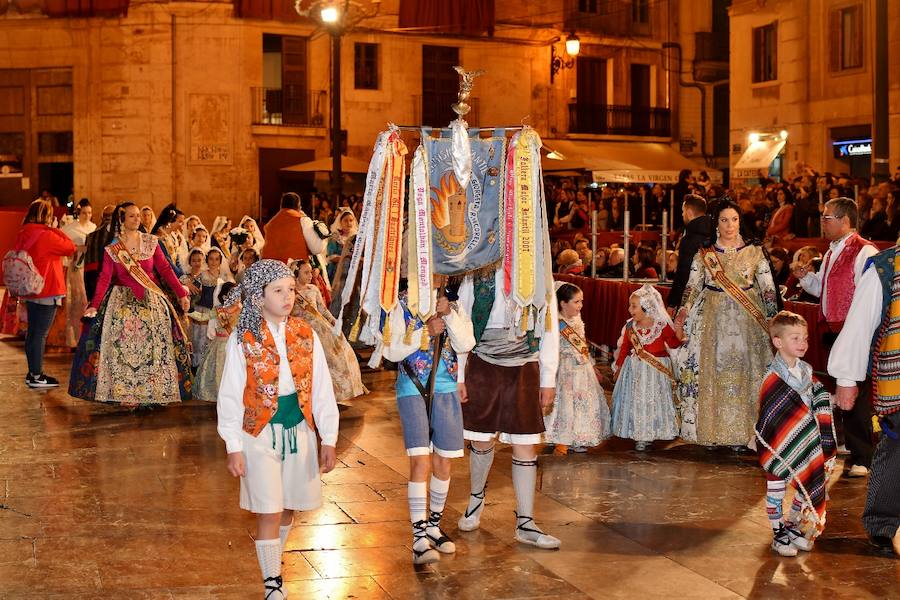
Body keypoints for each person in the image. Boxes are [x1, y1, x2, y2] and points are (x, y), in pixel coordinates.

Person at [216, 260, 339, 600]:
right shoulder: (244, 339)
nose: (288, 297)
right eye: (278, 291)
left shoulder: (305, 333)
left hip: (299, 429)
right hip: (258, 434)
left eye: (291, 290)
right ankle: (272, 582)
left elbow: (321, 388)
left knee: (287, 508)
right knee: (269, 507)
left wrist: (328, 437)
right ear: (257, 298)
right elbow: (230, 393)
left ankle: (275, 560)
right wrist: (233, 445)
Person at [455, 268, 561, 550]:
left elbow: (549, 323)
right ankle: (475, 500)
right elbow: (461, 320)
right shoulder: (477, 267)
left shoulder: (535, 263)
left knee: (526, 444)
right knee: (481, 438)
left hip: (525, 363)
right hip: (483, 360)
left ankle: (525, 521)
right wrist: (460, 376)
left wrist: (548, 377)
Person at [380, 282, 475, 565]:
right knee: (420, 462)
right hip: (412, 386)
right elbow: (391, 352)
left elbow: (466, 344)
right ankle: (419, 536)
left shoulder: (453, 306)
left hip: (446, 388)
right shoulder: (397, 304)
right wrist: (424, 330)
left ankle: (434, 525)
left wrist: (447, 316)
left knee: (444, 460)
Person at [675, 200, 780, 448]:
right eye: (724, 220)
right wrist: (683, 311)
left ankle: (747, 434)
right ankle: (713, 431)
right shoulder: (705, 253)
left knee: (746, 373)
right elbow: (691, 286)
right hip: (712, 317)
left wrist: (773, 319)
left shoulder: (755, 251)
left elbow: (768, 290)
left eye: (734, 219)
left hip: (748, 321)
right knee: (714, 372)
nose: (730, 225)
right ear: (716, 223)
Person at [70, 203, 192, 405]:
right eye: (132, 216)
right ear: (122, 220)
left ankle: (153, 389)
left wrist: (181, 294)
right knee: (123, 350)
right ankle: (126, 393)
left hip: (150, 302)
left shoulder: (151, 242)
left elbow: (165, 270)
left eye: (138, 216)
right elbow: (104, 278)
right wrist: (94, 304)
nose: (138, 219)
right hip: (121, 303)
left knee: (153, 348)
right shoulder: (112, 249)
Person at [793, 198, 878, 477]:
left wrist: (858, 330)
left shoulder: (864, 251)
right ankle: (848, 444)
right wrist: (807, 279)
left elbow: (868, 297)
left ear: (844, 220)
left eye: (827, 217)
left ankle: (863, 456)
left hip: (853, 330)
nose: (823, 222)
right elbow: (826, 291)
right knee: (839, 388)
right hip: (831, 329)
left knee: (856, 390)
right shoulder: (831, 252)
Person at [754, 311, 836, 557]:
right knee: (776, 488)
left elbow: (816, 399)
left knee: (804, 485)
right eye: (795, 338)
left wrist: (825, 400)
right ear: (778, 342)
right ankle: (778, 531)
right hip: (778, 445)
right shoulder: (772, 378)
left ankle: (792, 524)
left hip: (808, 443)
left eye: (805, 338)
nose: (803, 343)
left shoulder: (807, 372)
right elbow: (771, 415)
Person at [10, 199, 76, 388]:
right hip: (46, 289)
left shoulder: (24, 231)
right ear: (46, 216)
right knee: (40, 334)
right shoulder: (46, 235)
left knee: (33, 333)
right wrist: (54, 228)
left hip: (29, 289)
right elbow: (70, 247)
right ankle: (37, 376)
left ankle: (33, 372)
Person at [611, 284, 683, 451]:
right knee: (636, 401)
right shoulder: (630, 326)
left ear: (647, 306)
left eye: (634, 306)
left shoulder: (661, 325)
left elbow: (674, 343)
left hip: (655, 373)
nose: (630, 309)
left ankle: (653, 431)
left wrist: (679, 330)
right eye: (630, 305)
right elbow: (624, 350)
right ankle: (639, 435)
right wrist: (619, 368)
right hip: (634, 371)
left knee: (652, 401)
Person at [544, 283, 610, 455]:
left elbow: (582, 343)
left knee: (581, 403)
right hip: (563, 367)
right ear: (563, 303)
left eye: (581, 301)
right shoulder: (555, 322)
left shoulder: (578, 319)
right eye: (576, 302)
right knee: (563, 403)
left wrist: (592, 365)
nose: (580, 306)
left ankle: (579, 437)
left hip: (581, 368)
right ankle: (557, 434)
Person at [289, 259, 367, 403]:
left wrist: (333, 321)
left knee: (336, 357)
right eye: (305, 272)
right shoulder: (291, 292)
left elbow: (322, 309)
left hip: (320, 328)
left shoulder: (313, 289)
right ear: (296, 273)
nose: (310, 275)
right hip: (300, 331)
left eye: (310, 272)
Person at [195, 282, 240, 402]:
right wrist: (189, 312)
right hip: (219, 345)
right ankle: (219, 394)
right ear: (225, 297)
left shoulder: (241, 310)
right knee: (218, 369)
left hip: (234, 345)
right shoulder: (218, 310)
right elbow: (202, 317)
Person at [61, 198, 96, 347]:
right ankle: (73, 338)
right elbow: (63, 247)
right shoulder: (70, 229)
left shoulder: (94, 227)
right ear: (78, 213)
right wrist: (76, 248)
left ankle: (87, 336)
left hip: (89, 268)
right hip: (75, 268)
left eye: (89, 213)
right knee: (76, 302)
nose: (87, 215)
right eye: (84, 213)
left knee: (88, 300)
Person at [667, 194, 712, 311]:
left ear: (689, 212)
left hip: (693, 301)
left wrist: (672, 302)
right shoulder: (716, 233)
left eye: (683, 211)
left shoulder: (689, 239)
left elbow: (684, 272)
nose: (682, 215)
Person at [262, 192, 327, 265]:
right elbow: (316, 249)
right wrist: (324, 240)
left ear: (281, 205)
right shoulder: (302, 220)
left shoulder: (271, 223)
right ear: (299, 206)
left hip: (270, 267)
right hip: (294, 268)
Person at [326, 208, 358, 282]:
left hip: (354, 270)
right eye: (346, 220)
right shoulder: (335, 237)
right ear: (340, 222)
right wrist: (346, 259)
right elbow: (331, 256)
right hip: (338, 271)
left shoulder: (357, 238)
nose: (349, 223)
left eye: (351, 220)